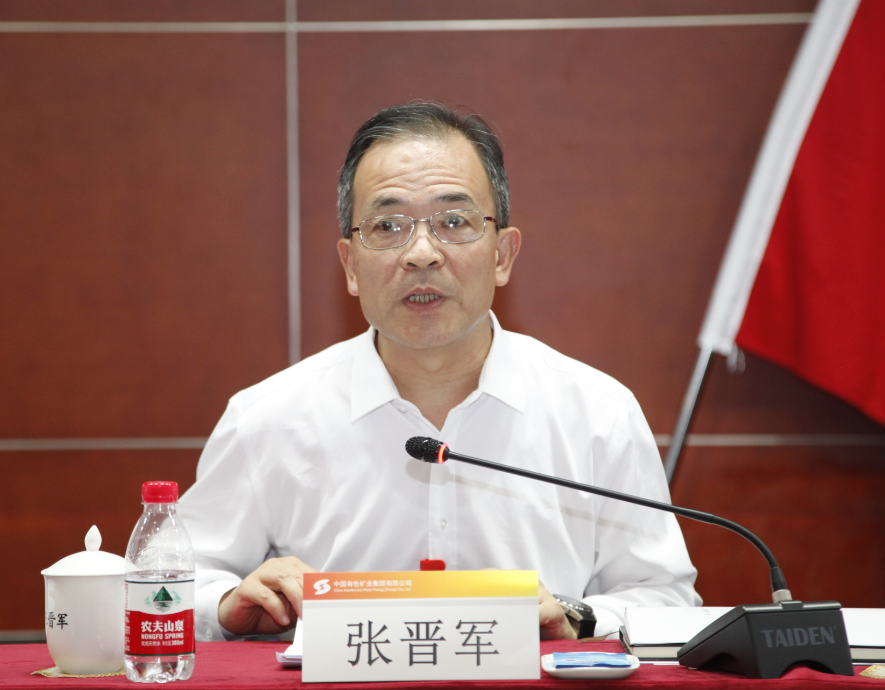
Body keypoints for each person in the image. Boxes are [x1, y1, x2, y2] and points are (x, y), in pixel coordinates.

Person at [178, 102, 701, 643]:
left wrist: (575, 617)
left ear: (502, 255)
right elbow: (167, 586)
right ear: (351, 266)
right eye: (388, 226)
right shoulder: (266, 419)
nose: (422, 253)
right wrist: (226, 605)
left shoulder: (598, 414)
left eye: (454, 222)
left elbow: (664, 599)